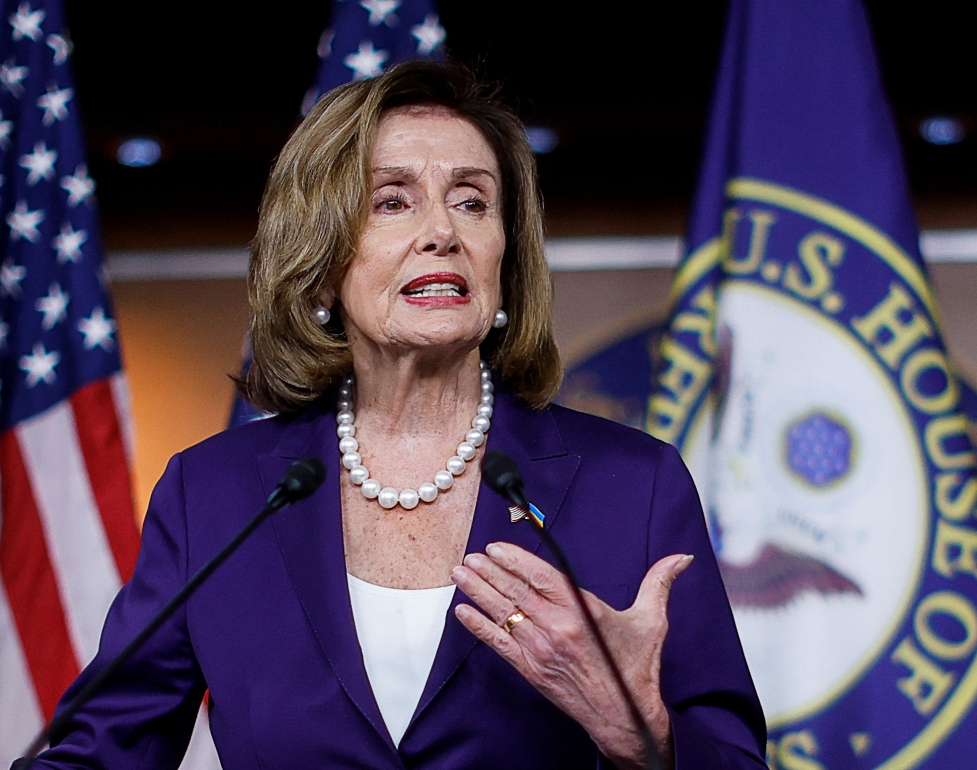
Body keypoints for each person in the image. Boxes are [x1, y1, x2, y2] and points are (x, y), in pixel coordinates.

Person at [28, 62, 766, 769]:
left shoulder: (632, 488)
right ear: (320, 265)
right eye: (392, 200)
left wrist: (650, 738)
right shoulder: (213, 497)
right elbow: (103, 752)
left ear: (504, 263)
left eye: (473, 201)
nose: (442, 230)